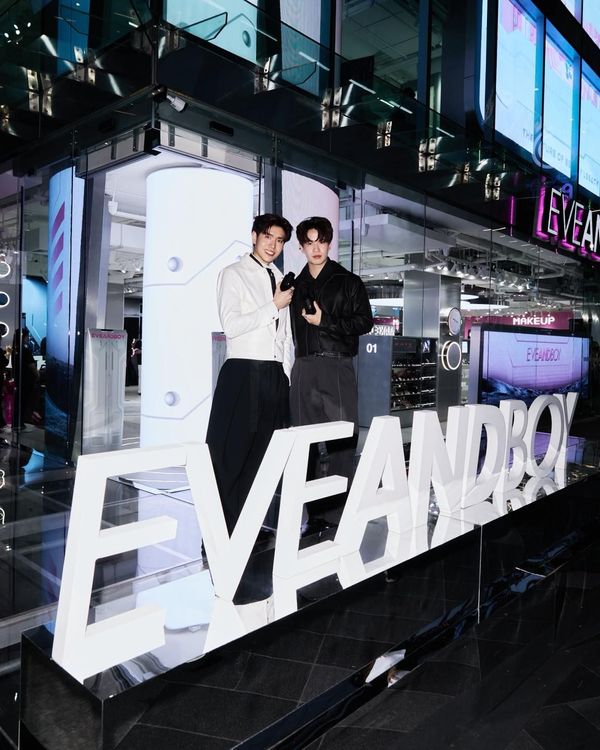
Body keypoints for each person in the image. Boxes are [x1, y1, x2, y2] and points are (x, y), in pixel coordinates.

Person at [206, 213, 294, 538]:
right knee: (229, 456)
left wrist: (285, 374)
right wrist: (274, 305)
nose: (273, 245)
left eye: (280, 240)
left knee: (263, 458)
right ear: (254, 236)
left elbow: (285, 337)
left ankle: (247, 529)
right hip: (242, 371)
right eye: (268, 237)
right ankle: (219, 533)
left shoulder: (281, 278)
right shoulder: (233, 274)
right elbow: (231, 326)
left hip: (274, 376)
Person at [289, 216, 373, 527]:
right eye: (309, 243)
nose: (316, 248)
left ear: (329, 243)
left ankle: (335, 514)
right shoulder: (295, 286)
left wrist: (325, 321)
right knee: (303, 443)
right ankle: (309, 513)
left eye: (321, 241)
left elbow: (365, 322)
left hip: (337, 365)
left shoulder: (348, 281)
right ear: (301, 247)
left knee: (341, 441)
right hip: (303, 367)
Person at [11, 327, 39, 432]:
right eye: (27, 336)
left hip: (19, 379)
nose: (28, 338)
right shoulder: (25, 350)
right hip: (26, 381)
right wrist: (37, 374)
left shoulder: (15, 350)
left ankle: (17, 423)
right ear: (24, 337)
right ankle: (20, 424)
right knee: (24, 402)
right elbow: (31, 365)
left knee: (19, 402)